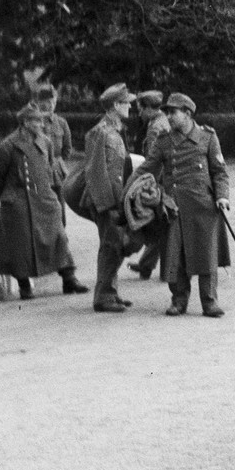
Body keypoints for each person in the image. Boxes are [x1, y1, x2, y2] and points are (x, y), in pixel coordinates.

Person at [0, 103, 88, 300]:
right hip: (19, 203)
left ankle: (69, 279)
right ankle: (24, 286)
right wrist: (11, 197)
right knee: (21, 247)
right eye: (36, 121)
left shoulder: (46, 142)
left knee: (59, 238)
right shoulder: (7, 146)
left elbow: (48, 168)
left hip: (45, 199)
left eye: (42, 120)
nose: (41, 124)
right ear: (24, 123)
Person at [146, 93, 231, 317]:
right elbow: (148, 169)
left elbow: (219, 172)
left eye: (173, 112)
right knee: (176, 254)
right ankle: (179, 300)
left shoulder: (208, 137)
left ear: (187, 113)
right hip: (174, 206)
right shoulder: (163, 141)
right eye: (167, 112)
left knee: (207, 253)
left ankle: (209, 302)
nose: (169, 117)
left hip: (204, 206)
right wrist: (135, 188)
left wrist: (222, 196)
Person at [82, 83, 137, 314]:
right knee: (111, 245)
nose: (130, 106)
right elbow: (95, 172)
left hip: (115, 198)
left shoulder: (114, 130)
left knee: (115, 244)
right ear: (115, 105)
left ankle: (110, 292)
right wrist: (107, 205)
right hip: (105, 200)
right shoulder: (100, 132)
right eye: (126, 103)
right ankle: (103, 296)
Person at [130, 91, 171, 280]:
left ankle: (165, 269)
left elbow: (156, 159)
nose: (139, 114)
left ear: (147, 108)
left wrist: (151, 183)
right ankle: (147, 265)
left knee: (162, 223)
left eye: (140, 109)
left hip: (160, 180)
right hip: (165, 179)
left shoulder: (155, 127)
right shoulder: (163, 121)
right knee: (161, 223)